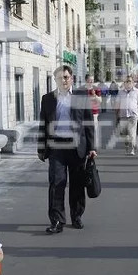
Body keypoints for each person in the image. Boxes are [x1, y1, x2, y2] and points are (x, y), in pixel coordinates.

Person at [37, 64, 97, 233]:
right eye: (59, 78)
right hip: (56, 147)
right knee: (56, 183)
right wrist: (41, 148)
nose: (63, 80)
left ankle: (76, 216)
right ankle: (56, 220)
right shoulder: (47, 99)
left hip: (77, 147)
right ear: (55, 80)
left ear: (71, 78)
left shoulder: (81, 95)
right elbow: (43, 125)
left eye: (66, 77)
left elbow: (88, 123)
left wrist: (92, 147)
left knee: (77, 184)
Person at [115, 76, 138, 155]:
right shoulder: (120, 92)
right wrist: (116, 114)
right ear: (124, 83)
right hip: (123, 115)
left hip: (133, 115)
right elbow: (117, 103)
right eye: (127, 81)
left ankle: (132, 149)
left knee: (132, 132)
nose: (128, 83)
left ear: (133, 83)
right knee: (124, 133)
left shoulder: (136, 91)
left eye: (130, 81)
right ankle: (127, 144)